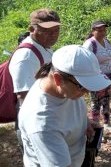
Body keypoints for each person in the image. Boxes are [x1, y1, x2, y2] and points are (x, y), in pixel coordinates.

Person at [18, 45, 111, 167]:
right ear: (57, 78)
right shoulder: (42, 122)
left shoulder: (63, 88)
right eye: (82, 86)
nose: (87, 92)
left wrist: (84, 122)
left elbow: (65, 115)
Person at [9, 8, 61, 151]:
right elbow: (24, 97)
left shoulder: (45, 47)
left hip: (48, 115)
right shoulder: (26, 57)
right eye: (47, 31)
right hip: (36, 122)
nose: (53, 35)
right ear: (32, 29)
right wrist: (43, 129)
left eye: (56, 30)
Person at [83, 20, 111, 134]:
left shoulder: (106, 41)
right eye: (99, 30)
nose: (103, 32)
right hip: (97, 79)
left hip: (110, 76)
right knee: (96, 103)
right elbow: (86, 62)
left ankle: (107, 123)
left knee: (106, 100)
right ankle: (95, 127)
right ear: (93, 31)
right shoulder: (90, 44)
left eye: (104, 30)